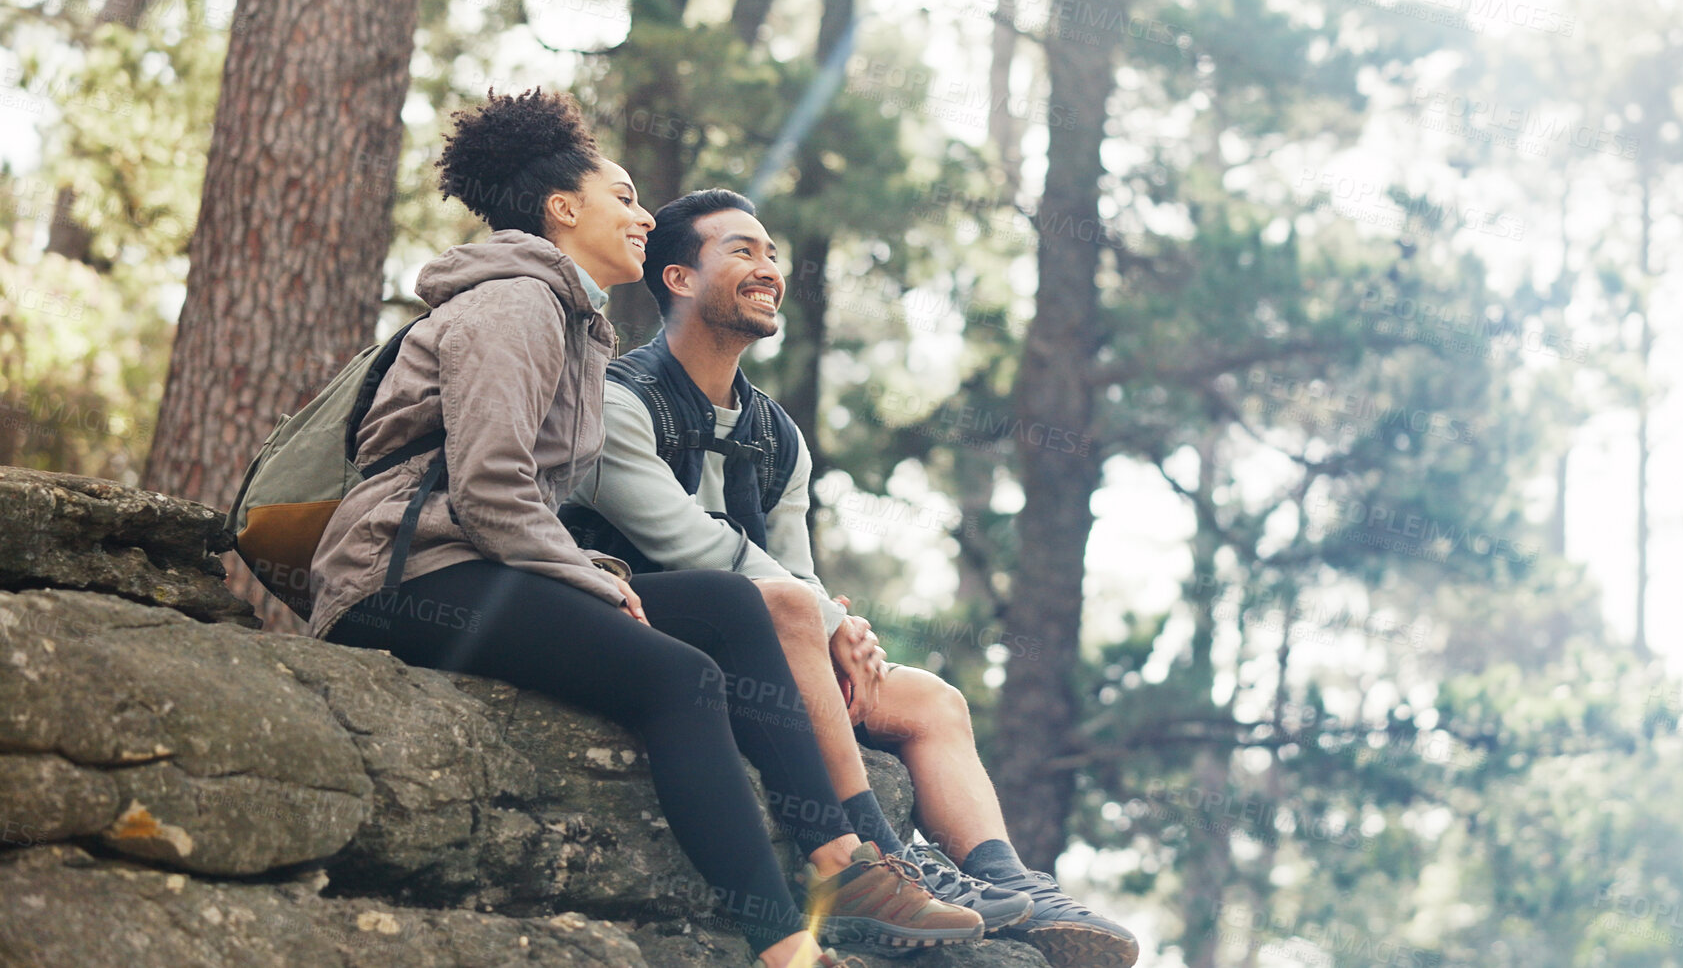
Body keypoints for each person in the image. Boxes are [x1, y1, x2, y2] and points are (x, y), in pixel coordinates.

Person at [304, 91, 982, 968]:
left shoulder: (571, 320)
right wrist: (595, 580)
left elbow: (516, 507)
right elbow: (491, 490)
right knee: (680, 678)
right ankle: (784, 948)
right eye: (622, 196)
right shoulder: (514, 304)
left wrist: (590, 570)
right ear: (562, 209)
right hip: (405, 574)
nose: (644, 215)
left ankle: (844, 864)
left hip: (471, 558)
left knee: (731, 605)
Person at [560, 188, 1140, 968]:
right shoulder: (618, 399)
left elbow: (793, 566)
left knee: (931, 698)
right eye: (740, 250)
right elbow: (687, 542)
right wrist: (830, 623)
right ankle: (877, 859)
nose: (767, 268)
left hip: (768, 642)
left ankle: (1013, 884)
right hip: (645, 625)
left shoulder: (775, 433)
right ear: (677, 278)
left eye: (771, 252)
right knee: (794, 608)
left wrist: (847, 642)